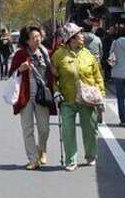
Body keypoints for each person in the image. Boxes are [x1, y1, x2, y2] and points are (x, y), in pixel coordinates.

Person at [52, 22, 105, 172]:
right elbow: (53, 77)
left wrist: (101, 96)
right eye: (79, 34)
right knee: (68, 130)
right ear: (71, 38)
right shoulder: (58, 56)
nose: (83, 36)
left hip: (87, 99)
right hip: (67, 98)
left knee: (89, 128)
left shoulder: (88, 54)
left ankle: (90, 155)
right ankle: (70, 160)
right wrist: (56, 91)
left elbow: (97, 76)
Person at [8, 24, 58, 170]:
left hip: (43, 96)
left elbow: (55, 73)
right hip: (25, 96)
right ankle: (32, 159)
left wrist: (55, 72)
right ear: (27, 41)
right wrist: (19, 69)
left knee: (44, 129)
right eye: (33, 38)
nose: (37, 40)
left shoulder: (48, 53)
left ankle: (42, 149)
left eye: (39, 37)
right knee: (27, 129)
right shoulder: (20, 55)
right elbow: (11, 73)